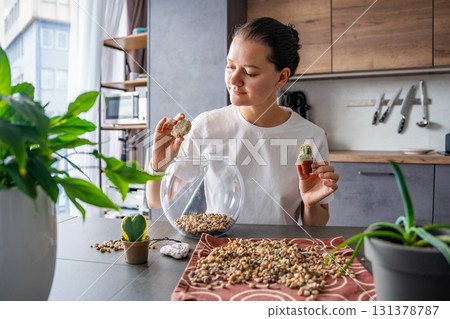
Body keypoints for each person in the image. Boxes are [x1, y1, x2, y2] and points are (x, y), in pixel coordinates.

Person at [146, 17, 339, 226]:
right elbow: (156, 201)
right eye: (230, 66)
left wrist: (310, 204)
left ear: (281, 77)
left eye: (249, 72)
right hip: (218, 250)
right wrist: (158, 164)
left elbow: (317, 227)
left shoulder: (310, 137)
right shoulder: (207, 126)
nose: (234, 80)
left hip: (279, 254)